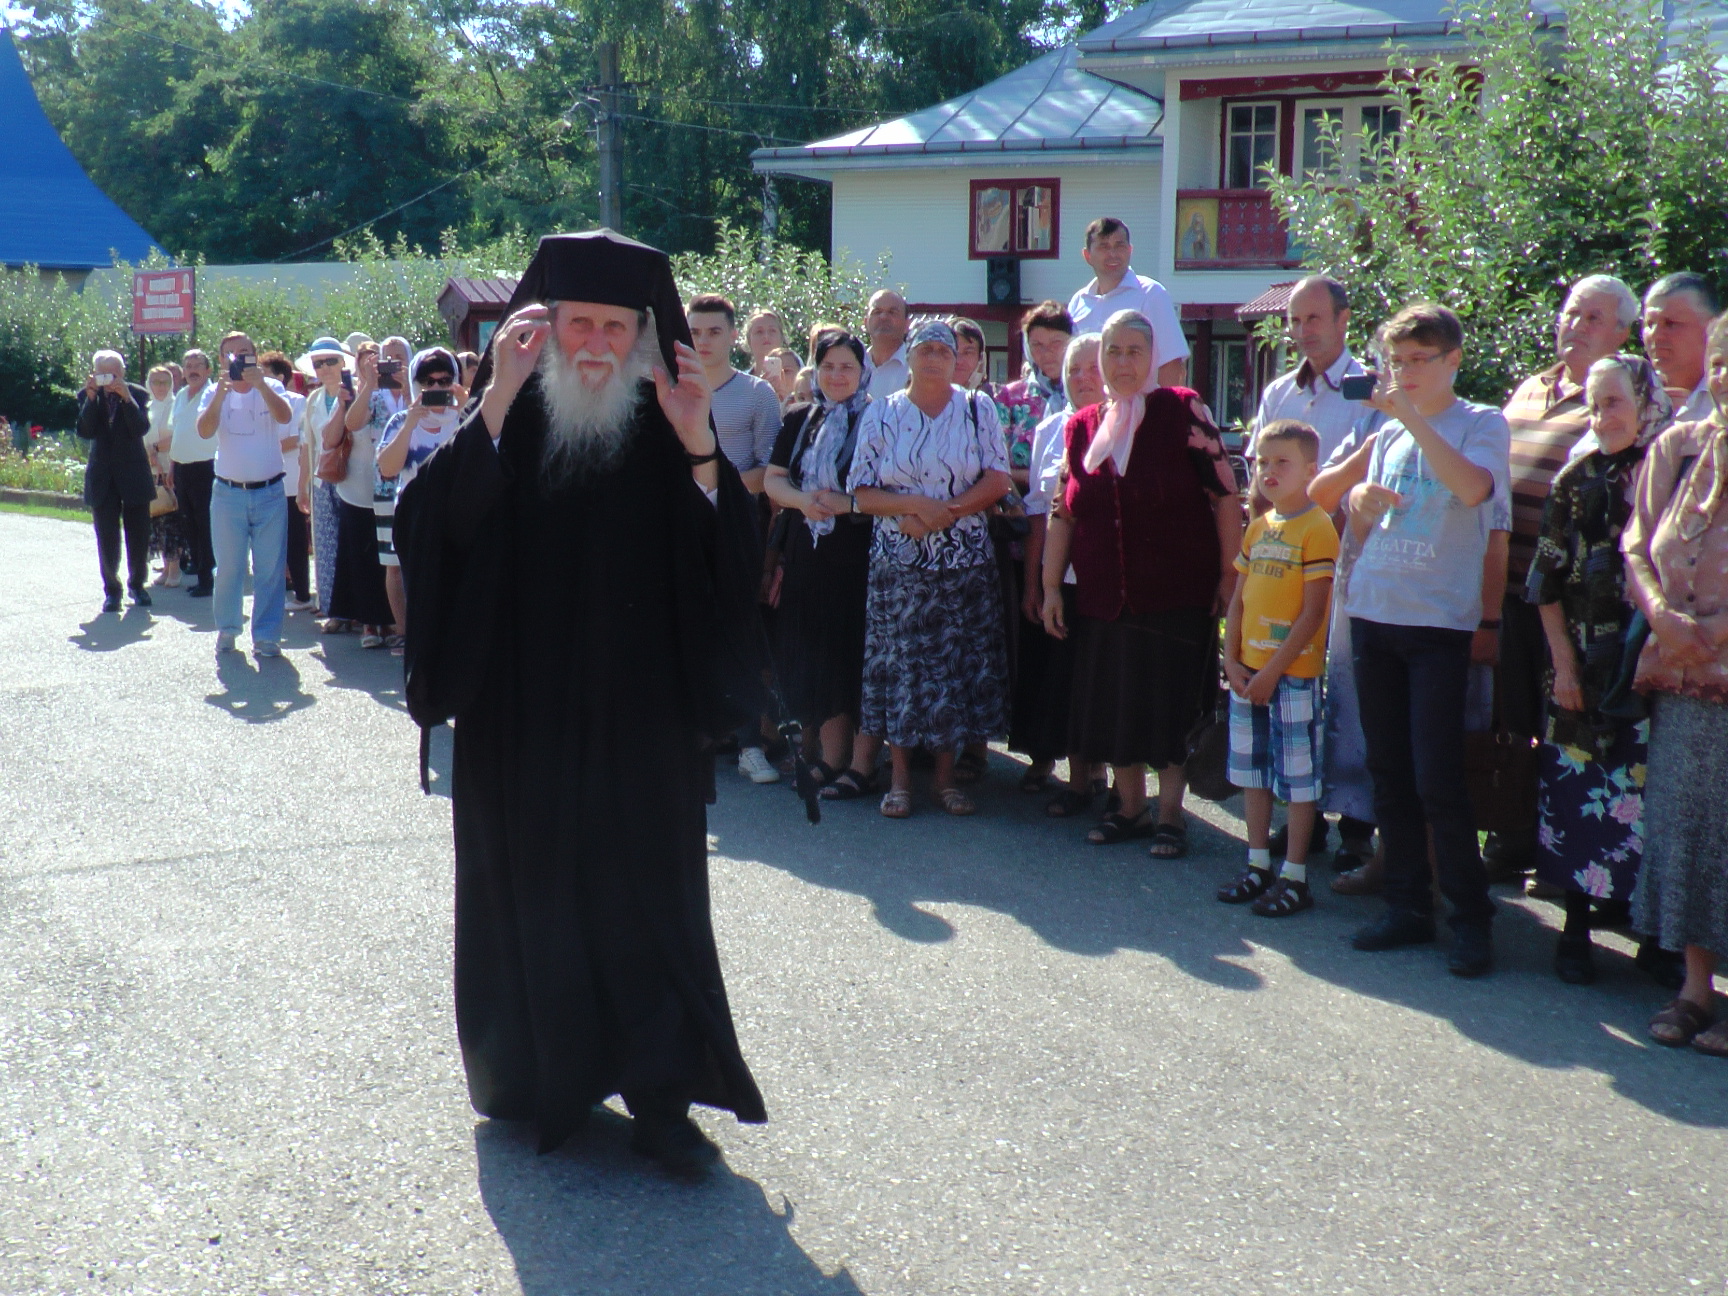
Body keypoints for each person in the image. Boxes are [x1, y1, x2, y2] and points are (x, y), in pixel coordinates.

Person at [395, 229, 771, 1172]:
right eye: (577, 326)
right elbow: (426, 526)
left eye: (615, 326)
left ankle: (661, 1101)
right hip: (519, 719)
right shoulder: (506, 413)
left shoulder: (671, 421)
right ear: (541, 328)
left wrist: (700, 452)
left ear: (645, 334)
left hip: (642, 722)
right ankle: (536, 1077)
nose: (596, 344)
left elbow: (732, 565)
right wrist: (494, 400)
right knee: (529, 895)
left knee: (651, 903)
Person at [1340, 303, 1511, 977]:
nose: (1404, 372)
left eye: (1419, 360)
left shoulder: (1480, 424)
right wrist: (1357, 507)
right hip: (1376, 612)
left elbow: (1473, 491)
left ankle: (1470, 919)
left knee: (1437, 777)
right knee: (1390, 774)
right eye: (1397, 360)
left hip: (1438, 625)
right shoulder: (1388, 434)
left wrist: (1408, 416)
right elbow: (1363, 525)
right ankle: (1407, 906)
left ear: (1452, 361)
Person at [1041, 310, 1241, 858]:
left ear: (1151, 357)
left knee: (1170, 703)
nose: (1123, 362)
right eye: (1114, 351)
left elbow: (1225, 495)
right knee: (1115, 704)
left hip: (1177, 590)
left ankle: (1171, 815)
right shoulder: (1081, 425)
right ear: (1099, 359)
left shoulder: (1182, 409)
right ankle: (1129, 808)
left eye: (1134, 351)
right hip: (1106, 595)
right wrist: (1051, 588)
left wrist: (1229, 576)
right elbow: (1063, 513)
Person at [1486, 274, 1639, 876]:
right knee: (1513, 717)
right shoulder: (1528, 387)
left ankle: (1565, 849)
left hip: (1574, 601)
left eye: (1592, 318)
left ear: (1623, 334)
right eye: (1571, 313)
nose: (1574, 325)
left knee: (1569, 722)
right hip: (1509, 585)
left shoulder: (1620, 400)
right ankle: (1513, 832)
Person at [1525, 354, 1672, 983]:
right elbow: (1546, 581)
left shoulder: (1676, 477)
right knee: (1576, 792)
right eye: (1594, 402)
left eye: (1615, 402)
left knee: (1651, 798)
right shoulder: (1576, 477)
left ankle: (1656, 936)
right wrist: (1562, 665)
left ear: (1646, 404)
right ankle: (1576, 928)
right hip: (1582, 661)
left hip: (1656, 667)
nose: (1602, 415)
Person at [850, 319, 1013, 818]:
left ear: (956, 359)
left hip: (964, 565)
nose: (935, 358)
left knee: (954, 670)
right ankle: (898, 780)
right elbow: (860, 492)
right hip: (899, 565)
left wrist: (950, 513)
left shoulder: (975, 407)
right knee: (900, 670)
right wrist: (917, 506)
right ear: (910, 356)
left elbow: (999, 478)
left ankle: (945, 781)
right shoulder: (881, 414)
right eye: (925, 349)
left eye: (945, 351)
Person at [1623, 310, 1728, 1055]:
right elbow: (1636, 539)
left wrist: (1715, 634)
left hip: (1717, 660)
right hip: (1681, 677)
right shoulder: (1679, 446)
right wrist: (1662, 615)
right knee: (1690, 831)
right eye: (1721, 362)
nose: (1727, 378)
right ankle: (1695, 990)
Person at [1254, 274, 1378, 864]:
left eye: (1314, 319)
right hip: (1284, 561)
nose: (1303, 332)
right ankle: (1300, 812)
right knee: (1296, 682)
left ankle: (1355, 821)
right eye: (1295, 321)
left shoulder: (1370, 388)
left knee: (1347, 688)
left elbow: (1372, 473)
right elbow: (1261, 476)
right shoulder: (1280, 392)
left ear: (1342, 320)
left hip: (1351, 560)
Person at [1217, 420, 1338, 916]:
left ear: (1310, 469)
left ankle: (1294, 875)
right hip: (1248, 672)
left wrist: (1273, 672)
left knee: (1298, 777)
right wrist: (1230, 659)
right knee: (1253, 773)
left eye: (1281, 462)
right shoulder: (1259, 528)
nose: (1268, 471)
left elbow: (1313, 614)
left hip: (1292, 676)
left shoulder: (1318, 527)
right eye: (1262, 462)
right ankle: (1258, 863)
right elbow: (1239, 601)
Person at [763, 329, 880, 797]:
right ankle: (829, 758)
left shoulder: (878, 418)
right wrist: (804, 502)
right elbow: (773, 480)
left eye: (846, 367)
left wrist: (845, 503)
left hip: (857, 554)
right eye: (828, 366)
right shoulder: (798, 418)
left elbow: (887, 489)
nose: (836, 375)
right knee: (815, 654)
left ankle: (856, 763)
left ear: (862, 371)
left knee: (850, 653)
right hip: (806, 551)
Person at [687, 293, 783, 784]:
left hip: (738, 529)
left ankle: (750, 746)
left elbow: (769, 468)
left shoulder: (756, 393)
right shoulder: (670, 388)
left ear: (732, 335)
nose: (704, 341)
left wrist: (713, 482)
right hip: (679, 529)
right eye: (696, 331)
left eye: (714, 332)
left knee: (741, 632)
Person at [1022, 332, 1104, 815]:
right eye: (1074, 369)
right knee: (1069, 678)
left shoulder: (1128, 422)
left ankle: (1113, 779)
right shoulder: (1051, 429)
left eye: (1092, 367)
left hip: (1111, 575)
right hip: (1063, 578)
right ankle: (1079, 779)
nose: (1081, 378)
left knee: (1107, 678)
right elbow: (1039, 514)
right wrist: (1035, 583)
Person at [196, 331, 296, 656]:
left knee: (269, 567)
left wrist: (262, 384)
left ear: (254, 355)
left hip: (269, 492)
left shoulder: (273, 387)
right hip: (228, 494)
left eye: (244, 352)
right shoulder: (214, 391)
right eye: (230, 354)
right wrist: (222, 393)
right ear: (222, 359)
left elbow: (285, 416)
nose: (238, 358)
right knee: (228, 567)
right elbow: (205, 430)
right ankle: (227, 628)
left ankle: (266, 636)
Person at [374, 347, 464, 650]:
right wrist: (411, 422)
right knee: (421, 590)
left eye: (444, 380)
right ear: (416, 384)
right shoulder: (401, 421)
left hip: (458, 517)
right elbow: (387, 468)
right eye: (428, 382)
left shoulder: (467, 417)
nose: (436, 388)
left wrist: (465, 412)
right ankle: (420, 648)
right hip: (416, 519)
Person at [1065, 218, 1189, 389]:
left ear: (1130, 251)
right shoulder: (1078, 303)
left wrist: (1165, 411)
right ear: (1087, 255)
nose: (1113, 254)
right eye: (1104, 246)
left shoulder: (1151, 294)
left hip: (1140, 411)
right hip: (1090, 411)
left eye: (1120, 246)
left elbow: (1171, 362)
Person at [330, 339, 398, 646]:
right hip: (357, 486)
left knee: (389, 559)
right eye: (366, 362)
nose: (374, 367)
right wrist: (367, 386)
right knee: (362, 556)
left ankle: (392, 621)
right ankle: (369, 623)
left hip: (391, 487)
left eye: (379, 361)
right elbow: (343, 427)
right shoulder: (353, 391)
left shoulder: (401, 389)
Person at [77, 350, 154, 613]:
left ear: (122, 373)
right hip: (102, 476)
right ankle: (112, 590)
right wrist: (90, 400)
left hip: (133, 473)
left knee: (139, 534)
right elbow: (85, 431)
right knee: (106, 535)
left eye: (113, 374)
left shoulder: (138, 394)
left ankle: (138, 585)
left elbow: (140, 429)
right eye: (102, 374)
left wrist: (126, 398)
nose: (108, 380)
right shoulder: (87, 394)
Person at [298, 337, 350, 621]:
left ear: (344, 363)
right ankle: (332, 609)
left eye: (332, 361)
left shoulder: (354, 393)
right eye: (319, 363)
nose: (326, 368)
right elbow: (308, 445)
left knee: (351, 543)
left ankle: (356, 610)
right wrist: (302, 485)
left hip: (351, 478)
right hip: (321, 480)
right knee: (325, 546)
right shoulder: (313, 400)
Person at [996, 302, 1073, 490]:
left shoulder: (1087, 391)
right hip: (1024, 509)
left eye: (1056, 343)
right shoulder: (1010, 398)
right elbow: (996, 467)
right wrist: (1041, 479)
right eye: (1037, 345)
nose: (1046, 353)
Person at [258, 352, 313, 612]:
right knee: (268, 542)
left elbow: (296, 440)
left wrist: (260, 448)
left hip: (290, 482)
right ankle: (277, 591)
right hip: (262, 481)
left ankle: (303, 593)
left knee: (295, 541)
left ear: (280, 377)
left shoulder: (297, 402)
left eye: (264, 372)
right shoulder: (254, 402)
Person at [167, 349, 217, 597]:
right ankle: (199, 570)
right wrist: (172, 466)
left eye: (198, 365)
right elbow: (178, 432)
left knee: (206, 524)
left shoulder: (215, 393)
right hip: (183, 469)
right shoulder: (181, 396)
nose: (193, 370)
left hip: (206, 468)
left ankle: (208, 579)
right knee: (189, 524)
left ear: (208, 370)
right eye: (188, 366)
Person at [1642, 273, 1718, 424]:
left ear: (1712, 328)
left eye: (1670, 323)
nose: (1655, 335)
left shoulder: (1722, 395)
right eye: (1650, 324)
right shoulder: (1630, 394)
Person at [143, 364, 187, 589]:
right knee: (157, 519)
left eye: (165, 382)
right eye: (156, 382)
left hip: (170, 468)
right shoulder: (147, 407)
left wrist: (155, 449)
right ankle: (165, 566)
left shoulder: (175, 405)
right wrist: (147, 452)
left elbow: (178, 434)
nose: (160, 387)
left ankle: (175, 568)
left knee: (172, 520)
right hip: (149, 470)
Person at [862, 290, 910, 399]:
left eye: (892, 312)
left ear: (907, 324)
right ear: (865, 323)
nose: (883, 317)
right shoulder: (854, 365)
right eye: (877, 312)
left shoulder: (916, 368)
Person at [951, 318, 991, 395]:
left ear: (981, 359)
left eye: (967, 353)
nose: (958, 361)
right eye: (953, 352)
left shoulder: (996, 402)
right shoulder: (924, 400)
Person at [743, 309, 787, 378]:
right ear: (749, 340)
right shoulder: (739, 383)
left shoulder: (796, 378)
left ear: (781, 337)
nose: (766, 336)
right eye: (759, 331)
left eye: (772, 330)